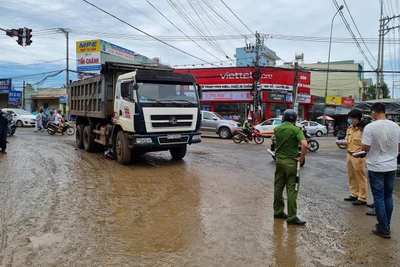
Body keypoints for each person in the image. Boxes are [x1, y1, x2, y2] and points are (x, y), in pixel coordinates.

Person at [361, 103, 400, 239]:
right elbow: (398, 147)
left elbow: (365, 148)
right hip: (391, 166)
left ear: (374, 112)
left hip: (376, 166)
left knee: (378, 197)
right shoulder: (396, 126)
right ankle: (386, 225)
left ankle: (383, 228)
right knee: (388, 196)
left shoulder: (370, 127)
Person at [273, 109, 308, 225]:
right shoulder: (296, 130)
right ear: (294, 119)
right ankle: (292, 217)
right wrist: (301, 158)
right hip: (291, 162)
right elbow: (305, 145)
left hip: (279, 161)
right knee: (292, 189)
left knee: (278, 187)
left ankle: (278, 211)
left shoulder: (277, 129)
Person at [343, 110, 368, 205]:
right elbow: (347, 140)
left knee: (361, 177)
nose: (349, 120)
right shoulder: (349, 128)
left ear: (356, 119)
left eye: (350, 118)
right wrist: (342, 142)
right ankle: (354, 194)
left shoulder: (362, 130)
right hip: (349, 154)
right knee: (351, 176)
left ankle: (362, 197)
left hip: (358, 157)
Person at [355, 119, 376, 216]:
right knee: (381, 191)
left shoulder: (371, 132)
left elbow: (366, 148)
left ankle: (378, 209)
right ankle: (376, 205)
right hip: (388, 165)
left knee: (379, 190)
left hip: (377, 165)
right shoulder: (393, 128)